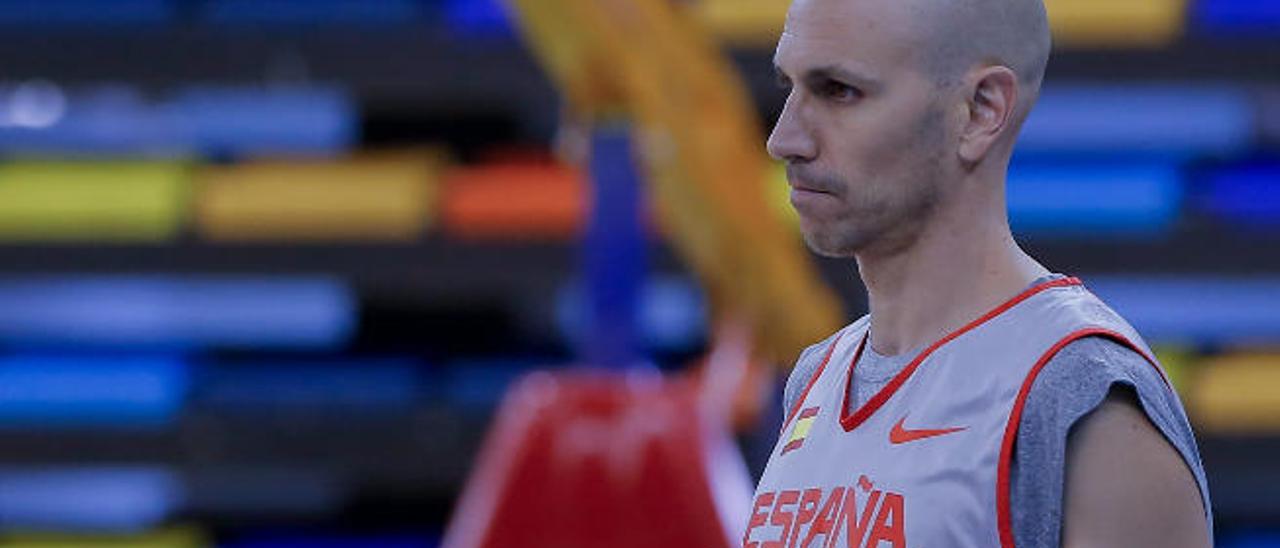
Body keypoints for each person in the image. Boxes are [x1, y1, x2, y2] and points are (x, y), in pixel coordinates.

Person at [743, 0, 1213, 546]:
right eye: (789, 87)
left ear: (981, 109)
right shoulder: (815, 379)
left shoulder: (1081, 395)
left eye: (839, 91)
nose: (784, 139)